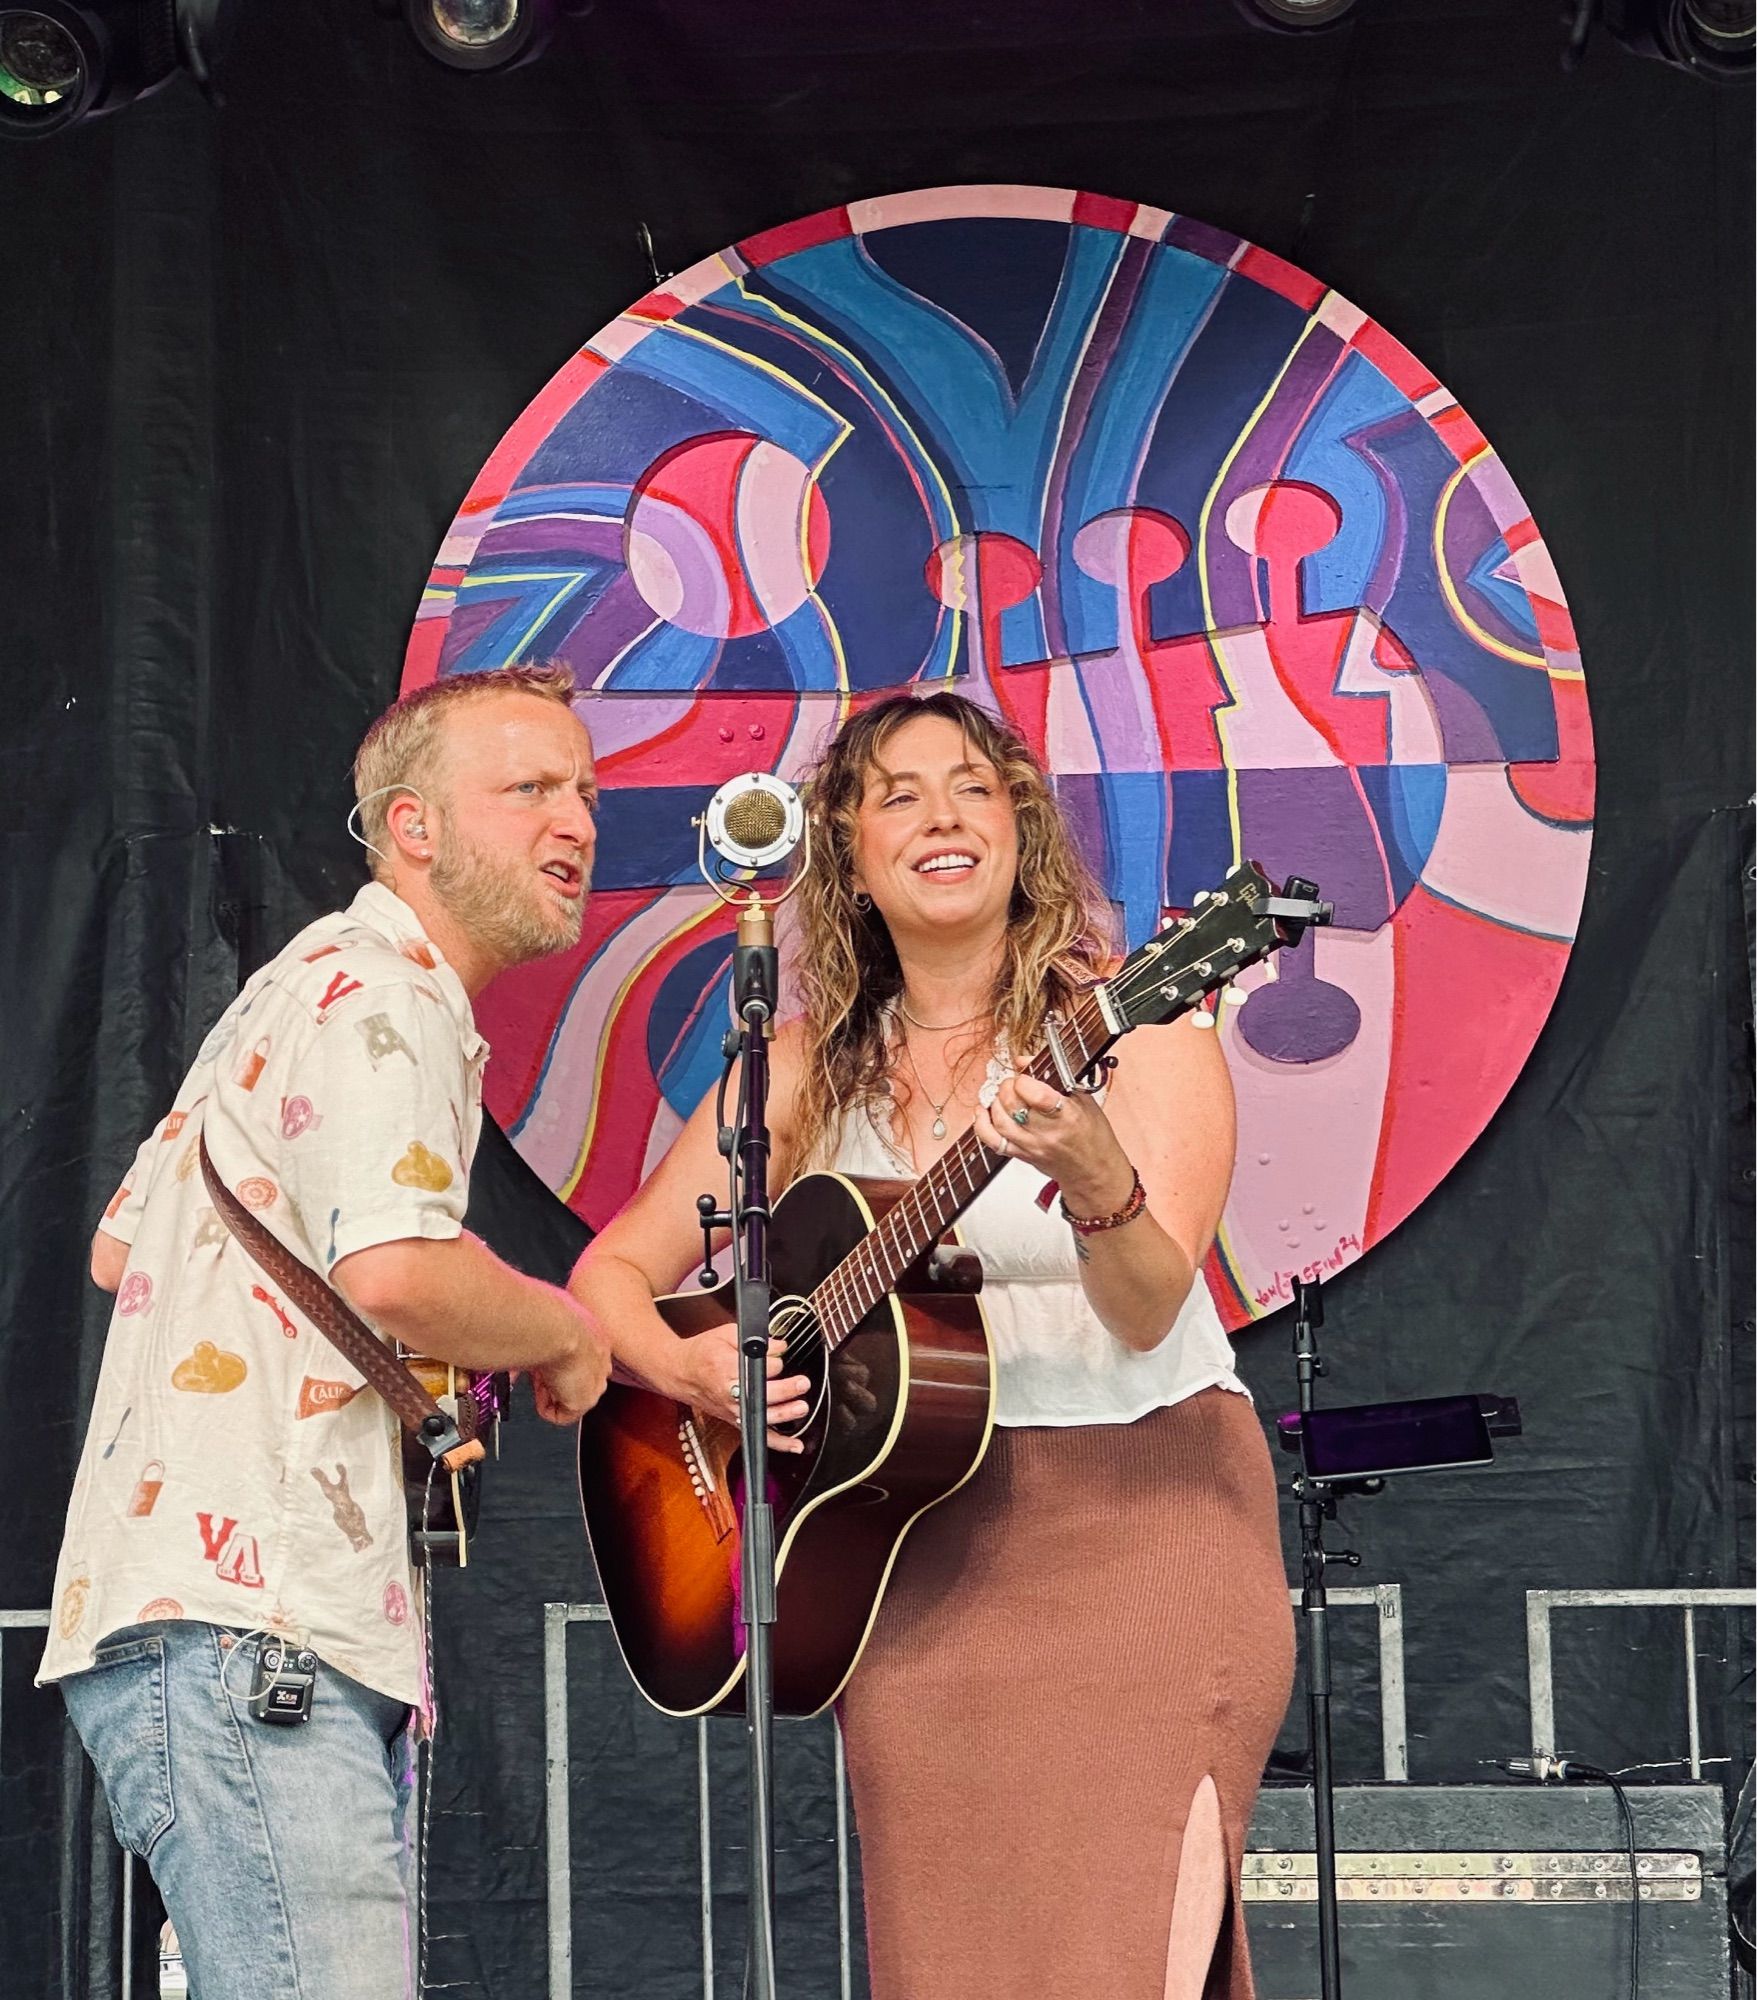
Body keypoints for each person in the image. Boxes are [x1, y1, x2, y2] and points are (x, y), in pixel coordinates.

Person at [571, 689, 1294, 1999]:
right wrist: (687, 1370)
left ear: (1022, 832)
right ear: (845, 850)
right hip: (908, 1564)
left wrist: (1094, 1178)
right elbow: (612, 1274)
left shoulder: (1139, 1035)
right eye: (896, 793)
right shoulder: (791, 1074)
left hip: (1143, 1531)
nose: (940, 815)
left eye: (972, 786)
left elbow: (1142, 1304)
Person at [38, 663, 614, 2000]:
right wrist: (563, 1335)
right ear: (412, 828)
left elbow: (120, 1243)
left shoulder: (302, 986)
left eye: (584, 791)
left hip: (205, 1625)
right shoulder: (387, 995)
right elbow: (395, 1271)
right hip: (260, 1631)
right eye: (527, 788)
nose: (575, 822)